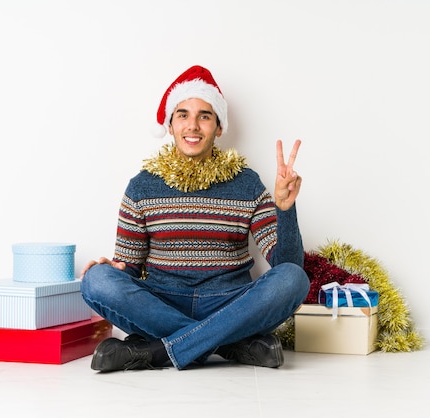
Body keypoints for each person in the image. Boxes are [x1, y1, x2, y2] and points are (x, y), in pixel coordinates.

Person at [80, 65, 310, 372]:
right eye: (183, 115)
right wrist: (117, 269)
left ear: (219, 127)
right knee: (96, 280)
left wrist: (285, 208)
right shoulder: (142, 186)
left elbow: (287, 264)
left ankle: (158, 351)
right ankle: (228, 342)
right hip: (164, 300)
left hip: (230, 299)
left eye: (205, 115)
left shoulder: (247, 183)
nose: (193, 125)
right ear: (170, 125)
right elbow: (130, 266)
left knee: (293, 279)